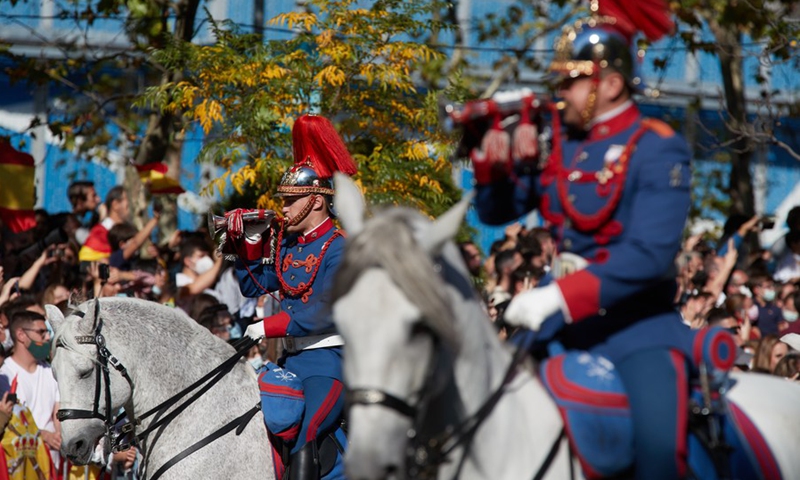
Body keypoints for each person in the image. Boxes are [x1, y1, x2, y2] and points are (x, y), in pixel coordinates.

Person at [468, 6, 697, 479]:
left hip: (637, 328)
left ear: (609, 85)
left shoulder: (657, 146)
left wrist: (558, 295)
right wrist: (490, 163)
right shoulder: (560, 142)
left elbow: (650, 256)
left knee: (659, 455)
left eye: (570, 82)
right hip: (556, 325)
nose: (560, 93)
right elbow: (496, 212)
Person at [234, 114, 357, 479]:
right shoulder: (288, 244)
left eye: (290, 201)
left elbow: (324, 312)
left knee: (305, 432)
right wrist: (247, 246)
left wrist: (265, 327)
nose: (283, 209)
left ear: (316, 202)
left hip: (329, 364)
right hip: (290, 361)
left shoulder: (341, 249)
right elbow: (254, 285)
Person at [0, 310, 61, 464]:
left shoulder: (51, 371)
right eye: (41, 332)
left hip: (52, 466)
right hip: (20, 465)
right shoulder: (4, 375)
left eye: (47, 332)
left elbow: (58, 412)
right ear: (21, 335)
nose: (47, 337)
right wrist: (44, 435)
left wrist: (59, 434)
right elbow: (10, 424)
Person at [79, 186, 130, 262]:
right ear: (115, 205)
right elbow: (86, 260)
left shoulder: (130, 230)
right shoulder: (99, 233)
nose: (130, 206)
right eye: (128, 202)